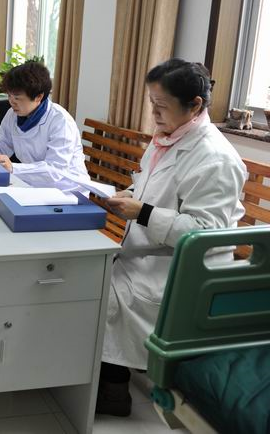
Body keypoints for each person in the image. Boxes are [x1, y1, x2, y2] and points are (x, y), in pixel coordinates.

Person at [98, 59, 247, 416]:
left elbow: (206, 233)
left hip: (183, 272)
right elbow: (152, 185)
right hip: (146, 254)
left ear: (195, 105)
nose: (153, 114)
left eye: (161, 106)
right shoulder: (168, 138)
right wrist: (128, 195)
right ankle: (103, 373)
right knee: (92, 279)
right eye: (151, 103)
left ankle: (114, 389)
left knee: (103, 294)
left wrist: (142, 212)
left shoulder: (216, 158)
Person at [0, 61, 90, 191]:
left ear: (38, 97)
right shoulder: (13, 114)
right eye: (9, 96)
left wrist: (13, 168)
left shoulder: (60, 121)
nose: (11, 102)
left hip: (68, 192)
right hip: (34, 187)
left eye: (17, 98)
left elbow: (54, 171)